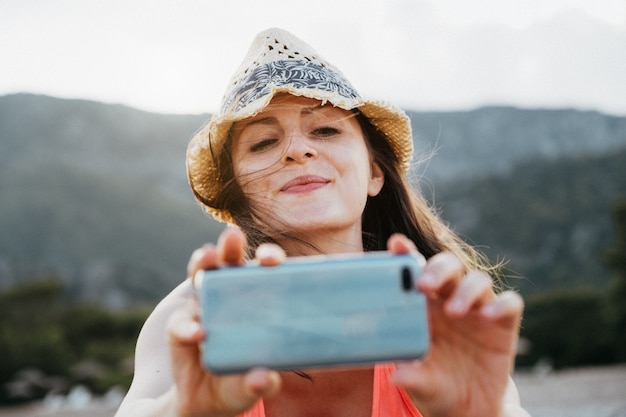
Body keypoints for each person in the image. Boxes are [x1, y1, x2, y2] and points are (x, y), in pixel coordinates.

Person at [115, 28, 530, 417]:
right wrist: (183, 410)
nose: (297, 150)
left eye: (327, 130)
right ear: (237, 191)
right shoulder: (192, 318)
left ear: (374, 172)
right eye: (263, 142)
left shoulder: (440, 309)